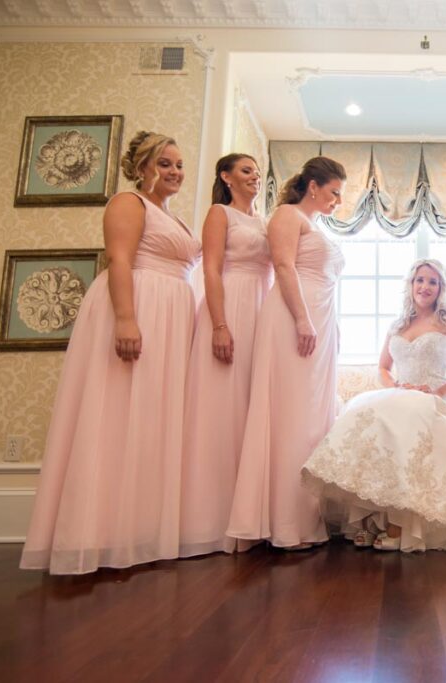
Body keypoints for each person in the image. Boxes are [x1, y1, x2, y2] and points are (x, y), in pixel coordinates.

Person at [20, 131, 201, 574]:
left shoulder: (171, 216)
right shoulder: (128, 203)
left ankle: (138, 528)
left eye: (178, 164)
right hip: (137, 305)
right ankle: (94, 533)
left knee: (151, 418)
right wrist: (125, 318)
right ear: (142, 167)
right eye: (164, 164)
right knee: (117, 413)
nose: (174, 172)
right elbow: (120, 259)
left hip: (171, 315)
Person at [302, 259, 446, 552]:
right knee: (364, 413)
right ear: (411, 285)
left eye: (432, 281)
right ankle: (368, 518)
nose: (425, 286)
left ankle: (398, 522)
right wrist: (396, 387)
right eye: (420, 280)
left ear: (441, 288)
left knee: (408, 422)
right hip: (400, 393)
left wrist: (437, 392)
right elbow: (383, 368)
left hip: (434, 397)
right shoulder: (398, 324)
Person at [226, 156, 346, 550]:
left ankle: (306, 516)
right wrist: (302, 319)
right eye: (334, 193)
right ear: (314, 186)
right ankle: (284, 523)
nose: (337, 201)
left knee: (312, 419)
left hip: (321, 325)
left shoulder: (316, 226)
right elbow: (283, 265)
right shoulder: (286, 216)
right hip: (296, 320)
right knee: (291, 416)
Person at [179, 153, 272, 557]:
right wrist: (219, 324)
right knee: (221, 407)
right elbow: (211, 269)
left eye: (257, 171)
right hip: (229, 304)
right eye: (247, 170)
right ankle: (209, 519)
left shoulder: (264, 222)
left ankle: (249, 512)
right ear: (226, 177)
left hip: (260, 310)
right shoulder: (220, 213)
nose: (255, 177)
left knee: (251, 407)